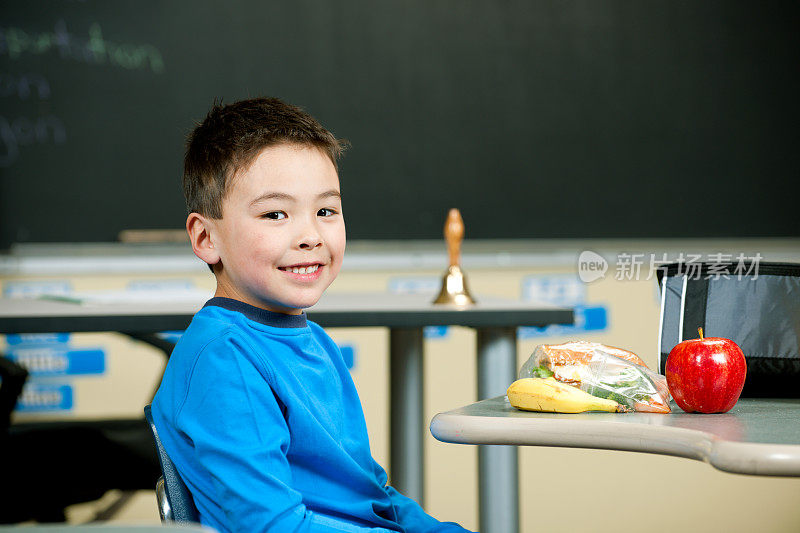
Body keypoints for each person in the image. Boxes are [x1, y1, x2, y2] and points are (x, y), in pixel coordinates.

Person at [151, 97, 473, 533]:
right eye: (275, 213)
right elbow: (273, 526)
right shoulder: (224, 359)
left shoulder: (314, 340)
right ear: (206, 237)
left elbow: (372, 496)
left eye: (326, 211)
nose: (310, 235)